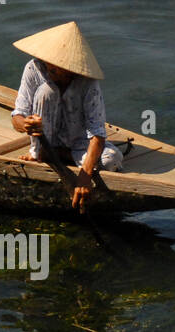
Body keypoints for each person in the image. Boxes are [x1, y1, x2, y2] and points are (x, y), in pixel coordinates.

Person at [9, 21, 123, 212]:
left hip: (76, 143)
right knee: (47, 91)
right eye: (51, 69)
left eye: (62, 72)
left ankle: (55, 155)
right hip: (43, 140)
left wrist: (84, 177)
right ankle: (39, 153)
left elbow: (97, 134)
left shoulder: (88, 83)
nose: (55, 74)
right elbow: (17, 116)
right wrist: (27, 124)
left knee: (113, 160)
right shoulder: (33, 69)